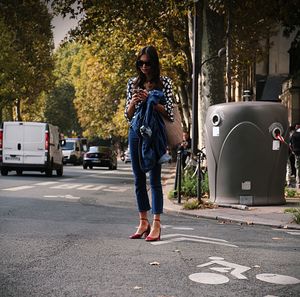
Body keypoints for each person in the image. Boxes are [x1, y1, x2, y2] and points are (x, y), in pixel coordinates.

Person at [124, 45, 174, 241]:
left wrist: (151, 100)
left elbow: (169, 112)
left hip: (154, 135)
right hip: (135, 132)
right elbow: (127, 116)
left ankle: (156, 224)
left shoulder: (165, 83)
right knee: (138, 179)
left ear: (155, 64)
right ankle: (143, 221)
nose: (144, 67)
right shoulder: (132, 83)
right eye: (140, 63)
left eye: (148, 63)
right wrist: (133, 102)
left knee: (154, 180)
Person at [290, 123, 300, 189]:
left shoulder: (293, 134)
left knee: (297, 168)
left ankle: (298, 183)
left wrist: (293, 151)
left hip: (296, 153)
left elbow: (290, 144)